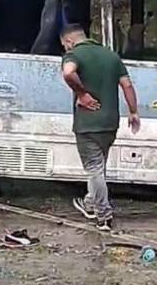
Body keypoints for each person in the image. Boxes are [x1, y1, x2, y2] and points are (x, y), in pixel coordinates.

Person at [60, 23, 141, 231]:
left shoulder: (74, 55)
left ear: (69, 41)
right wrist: (133, 112)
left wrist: (82, 94)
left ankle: (103, 215)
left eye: (64, 46)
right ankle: (89, 204)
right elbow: (127, 85)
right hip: (109, 123)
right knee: (98, 168)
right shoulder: (111, 56)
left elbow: (69, 73)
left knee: (94, 170)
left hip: (87, 124)